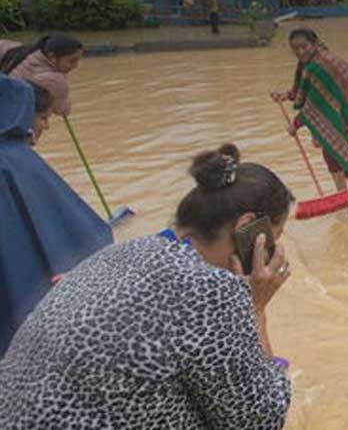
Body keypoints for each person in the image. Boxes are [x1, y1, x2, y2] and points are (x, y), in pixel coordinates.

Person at [0, 143, 293, 429]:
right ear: (246, 226)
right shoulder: (211, 288)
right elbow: (261, 420)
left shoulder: (119, 253)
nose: (271, 251)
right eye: (273, 237)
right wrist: (255, 307)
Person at [0, 75, 112, 358]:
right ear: (22, 114)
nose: (45, 126)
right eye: (43, 117)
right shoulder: (15, 161)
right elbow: (86, 238)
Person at [272, 28, 348, 216]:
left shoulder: (319, 66)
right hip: (336, 116)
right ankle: (342, 199)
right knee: (332, 157)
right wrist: (285, 95)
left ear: (314, 43)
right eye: (295, 49)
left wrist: (295, 124)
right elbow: (305, 91)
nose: (300, 52)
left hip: (344, 117)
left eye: (304, 46)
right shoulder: (312, 62)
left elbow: (315, 106)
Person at [0, 34, 83, 116]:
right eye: (72, 61)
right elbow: (62, 111)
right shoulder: (57, 80)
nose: (76, 66)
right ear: (52, 56)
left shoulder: (16, 48)